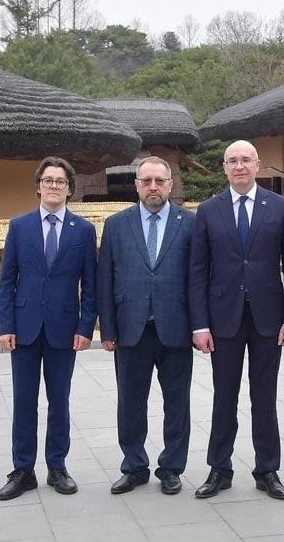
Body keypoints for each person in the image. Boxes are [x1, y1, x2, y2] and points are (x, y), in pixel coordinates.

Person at [189, 140, 284, 500]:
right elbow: (197, 270)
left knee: (264, 397)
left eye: (245, 160)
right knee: (224, 396)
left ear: (258, 165)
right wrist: (200, 324)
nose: (239, 166)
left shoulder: (281, 207)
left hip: (269, 318)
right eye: (232, 161)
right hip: (223, 320)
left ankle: (267, 469)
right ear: (224, 168)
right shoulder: (208, 210)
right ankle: (219, 469)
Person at [0, 156, 96, 501]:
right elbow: (7, 280)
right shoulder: (19, 226)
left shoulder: (83, 231)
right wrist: (5, 325)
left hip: (64, 329)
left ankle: (57, 466)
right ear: (38, 186)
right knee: (25, 400)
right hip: (23, 329)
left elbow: (91, 285)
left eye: (61, 181)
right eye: (49, 180)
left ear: (70, 190)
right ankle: (23, 470)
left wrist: (86, 327)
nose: (54, 186)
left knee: (60, 400)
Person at [97, 156, 195, 496]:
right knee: (130, 402)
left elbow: (199, 279)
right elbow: (105, 279)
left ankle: (171, 468)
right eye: (146, 181)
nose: (153, 187)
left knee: (177, 404)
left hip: (176, 329)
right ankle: (135, 466)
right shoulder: (116, 225)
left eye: (160, 181)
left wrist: (200, 327)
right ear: (136, 185)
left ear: (170, 185)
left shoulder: (190, 223)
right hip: (130, 329)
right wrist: (107, 329)